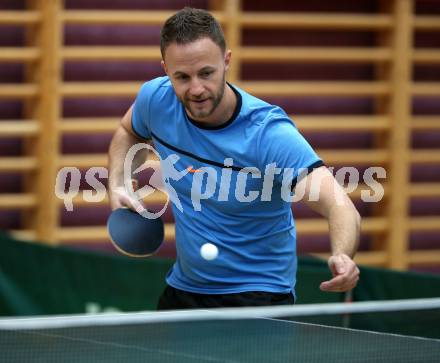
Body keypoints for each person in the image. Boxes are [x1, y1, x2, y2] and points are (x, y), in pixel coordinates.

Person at [108, 7, 360, 309]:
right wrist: (119, 182)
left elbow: (339, 205)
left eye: (206, 73)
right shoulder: (156, 100)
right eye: (182, 77)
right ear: (165, 69)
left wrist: (342, 254)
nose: (197, 89)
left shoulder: (268, 134)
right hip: (187, 285)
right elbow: (128, 130)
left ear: (226, 61)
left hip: (259, 293)